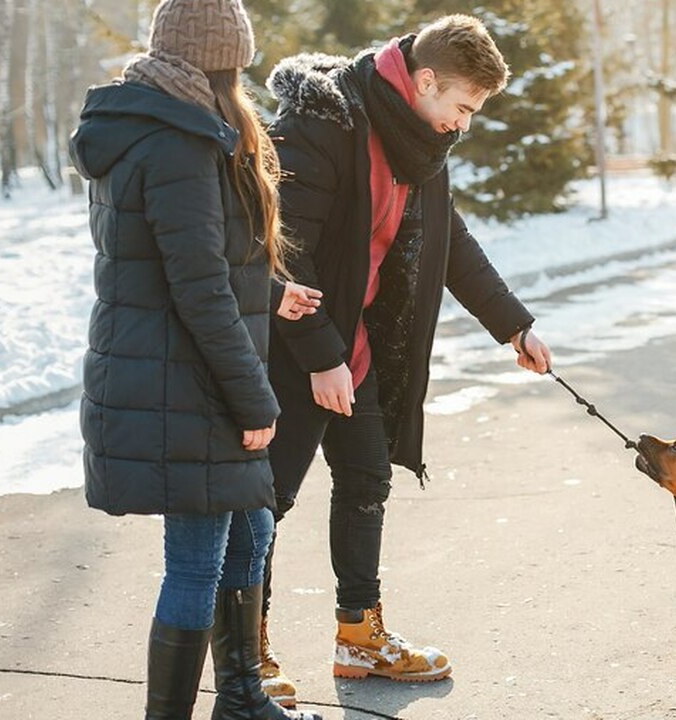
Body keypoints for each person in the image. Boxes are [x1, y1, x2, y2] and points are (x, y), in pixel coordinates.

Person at [255, 13, 553, 705]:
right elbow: (283, 250)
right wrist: (321, 356)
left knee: (365, 483)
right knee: (263, 503)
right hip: (289, 343)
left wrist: (513, 325)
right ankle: (249, 651)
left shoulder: (419, 141)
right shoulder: (324, 123)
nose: (463, 125)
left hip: (357, 345)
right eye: (462, 107)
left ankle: (360, 638)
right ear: (424, 80)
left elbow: (450, 241)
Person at [70, 0, 323, 717]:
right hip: (185, 381)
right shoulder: (178, 143)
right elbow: (198, 288)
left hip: (175, 370)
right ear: (221, 63)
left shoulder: (157, 129)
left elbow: (185, 259)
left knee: (253, 524)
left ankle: (240, 699)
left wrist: (270, 293)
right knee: (196, 559)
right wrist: (254, 399)